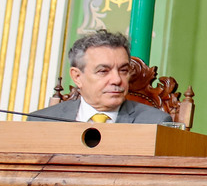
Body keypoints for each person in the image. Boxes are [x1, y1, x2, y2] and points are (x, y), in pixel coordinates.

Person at [29, 30, 172, 124]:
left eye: (123, 70)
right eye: (103, 71)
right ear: (77, 77)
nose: (117, 80)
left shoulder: (155, 123)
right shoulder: (41, 122)